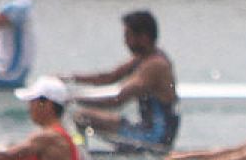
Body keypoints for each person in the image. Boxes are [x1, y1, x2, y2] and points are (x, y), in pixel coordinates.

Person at [63, 10, 179, 152]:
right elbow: (109, 77)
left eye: (127, 35)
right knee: (82, 115)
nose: (125, 41)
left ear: (143, 37)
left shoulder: (155, 65)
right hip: (145, 128)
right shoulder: (144, 58)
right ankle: (80, 154)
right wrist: (67, 78)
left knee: (80, 116)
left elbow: (117, 100)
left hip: (154, 137)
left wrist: (71, 99)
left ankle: (78, 157)